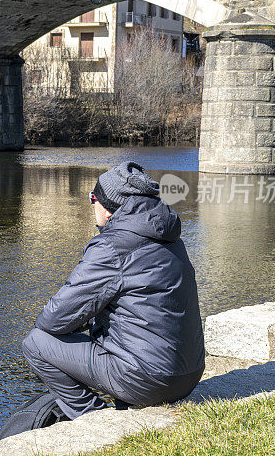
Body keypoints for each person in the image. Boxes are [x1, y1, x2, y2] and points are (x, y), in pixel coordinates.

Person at [21, 161, 205, 420]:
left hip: (150, 381)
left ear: (107, 208)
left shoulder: (111, 247)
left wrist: (79, 324)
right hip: (189, 375)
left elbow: (52, 319)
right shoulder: (171, 238)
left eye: (92, 198)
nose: (92, 203)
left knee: (36, 342)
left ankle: (95, 419)